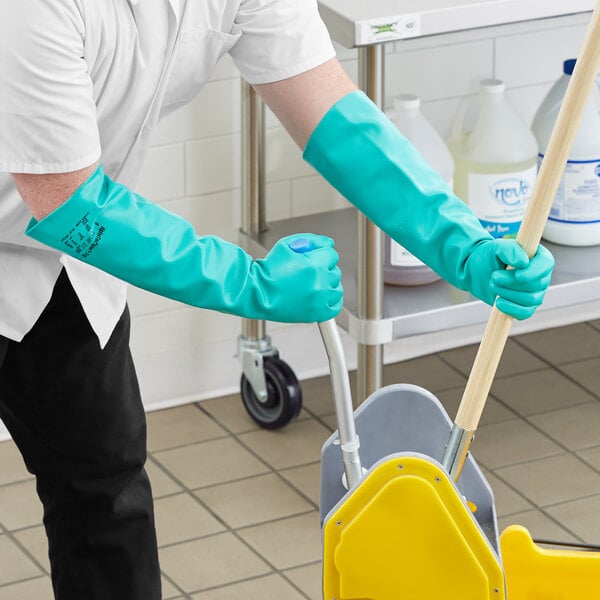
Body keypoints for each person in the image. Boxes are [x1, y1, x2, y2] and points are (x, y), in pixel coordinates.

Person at [0, 0, 554, 598]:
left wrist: (459, 241)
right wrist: (251, 284)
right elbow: (66, 200)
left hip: (63, 269)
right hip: (61, 216)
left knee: (104, 496)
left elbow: (331, 115)